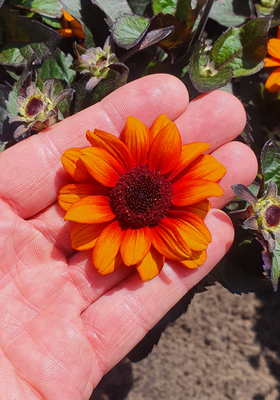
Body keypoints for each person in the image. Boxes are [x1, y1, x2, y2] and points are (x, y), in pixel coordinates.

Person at [0, 74, 257, 400]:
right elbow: (79, 203)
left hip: (150, 209)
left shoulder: (175, 197)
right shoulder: (95, 200)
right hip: (117, 209)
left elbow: (205, 184)